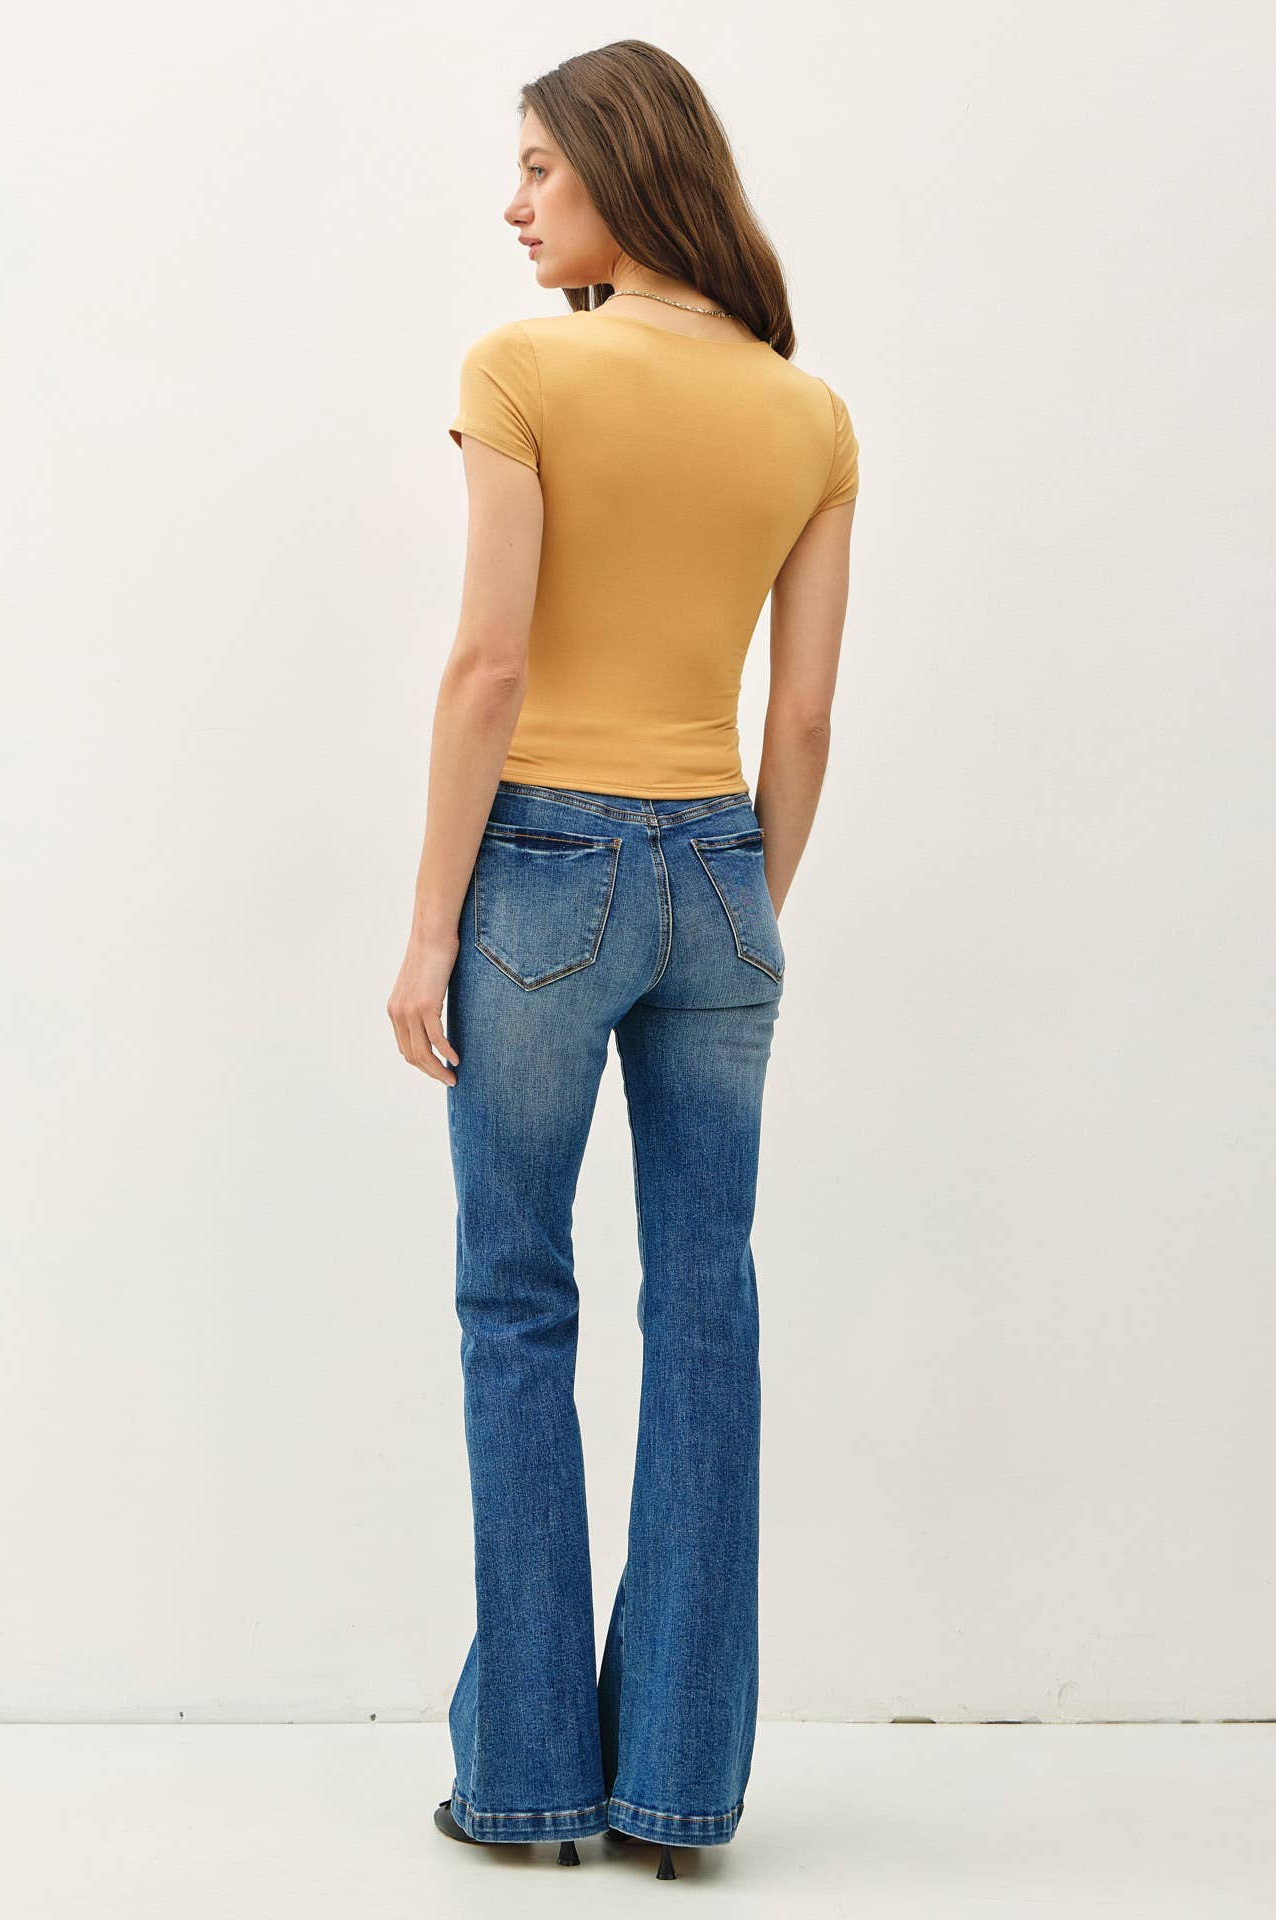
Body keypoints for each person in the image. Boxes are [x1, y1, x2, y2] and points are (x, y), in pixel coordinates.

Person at [386, 38, 859, 1883]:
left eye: (537, 168)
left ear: (619, 166)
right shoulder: (807, 414)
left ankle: (525, 1784)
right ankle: (674, 1788)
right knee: (706, 1310)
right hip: (721, 871)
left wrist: (431, 922)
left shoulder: (524, 372)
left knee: (516, 1306)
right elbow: (800, 717)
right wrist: (742, 903)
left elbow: (488, 668)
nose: (512, 204)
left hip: (540, 872)